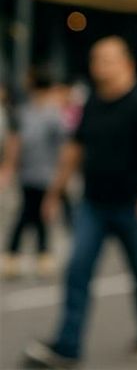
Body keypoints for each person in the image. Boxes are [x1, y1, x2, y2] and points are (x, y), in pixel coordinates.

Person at [24, 37, 137, 368]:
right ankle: (68, 346)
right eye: (96, 59)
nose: (100, 65)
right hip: (93, 205)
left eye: (107, 59)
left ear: (126, 63)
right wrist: (53, 193)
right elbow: (73, 151)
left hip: (131, 206)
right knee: (77, 271)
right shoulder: (91, 102)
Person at [0, 67, 68, 280]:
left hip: (47, 172)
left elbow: (64, 148)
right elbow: (15, 142)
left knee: (34, 214)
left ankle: (22, 254)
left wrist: (61, 175)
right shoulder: (27, 112)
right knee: (33, 213)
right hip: (30, 172)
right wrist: (9, 167)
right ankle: (38, 254)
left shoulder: (52, 114)